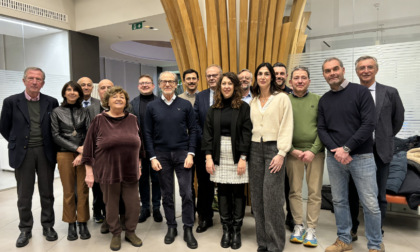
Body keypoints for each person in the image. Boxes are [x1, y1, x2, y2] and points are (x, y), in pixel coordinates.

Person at [318, 57, 383, 252]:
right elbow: (322, 129)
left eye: (335, 69)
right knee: (339, 201)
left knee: (370, 203)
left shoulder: (361, 92)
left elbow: (368, 125)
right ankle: (344, 239)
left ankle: (374, 245)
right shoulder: (324, 100)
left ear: (343, 70)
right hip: (335, 158)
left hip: (361, 156)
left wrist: (346, 148)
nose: (332, 73)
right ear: (324, 75)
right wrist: (336, 151)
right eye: (328, 71)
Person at [0, 67, 59, 247]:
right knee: (24, 195)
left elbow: (55, 126)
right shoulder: (11, 101)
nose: (35, 82)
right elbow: (4, 127)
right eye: (31, 78)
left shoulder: (51, 102)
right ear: (24, 80)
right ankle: (25, 229)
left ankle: (48, 226)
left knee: (47, 193)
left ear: (43, 83)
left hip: (45, 151)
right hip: (23, 153)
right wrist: (17, 142)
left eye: (38, 79)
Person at [348, 56, 405, 240]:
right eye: (361, 67)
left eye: (369, 67)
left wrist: (383, 137)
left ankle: (376, 230)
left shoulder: (390, 92)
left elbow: (397, 120)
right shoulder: (349, 94)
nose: (365, 70)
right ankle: (352, 228)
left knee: (379, 194)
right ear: (356, 71)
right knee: (353, 193)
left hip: (380, 151)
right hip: (355, 152)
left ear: (376, 69)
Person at [83, 86, 144, 251]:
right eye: (115, 96)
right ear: (107, 101)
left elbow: (140, 145)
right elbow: (88, 149)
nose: (119, 99)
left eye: (122, 97)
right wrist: (89, 172)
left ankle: (130, 231)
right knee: (111, 205)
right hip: (107, 170)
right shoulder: (99, 120)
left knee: (133, 204)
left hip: (130, 170)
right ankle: (116, 233)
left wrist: (139, 165)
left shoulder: (132, 119)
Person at [144, 71, 198, 249]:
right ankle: (172, 227)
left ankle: (188, 228)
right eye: (164, 81)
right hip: (161, 155)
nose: (167, 84)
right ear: (159, 84)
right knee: (167, 194)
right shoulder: (152, 107)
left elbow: (193, 130)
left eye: (171, 81)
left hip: (183, 153)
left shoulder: (185, 105)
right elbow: (147, 134)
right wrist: (152, 157)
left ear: (176, 85)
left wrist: (191, 153)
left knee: (187, 193)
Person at [202, 72, 252, 249]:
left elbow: (247, 134)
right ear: (219, 86)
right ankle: (226, 229)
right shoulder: (213, 108)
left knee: (238, 192)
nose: (226, 86)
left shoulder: (244, 108)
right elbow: (207, 134)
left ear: (235, 86)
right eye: (224, 83)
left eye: (230, 83)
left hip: (237, 154)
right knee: (222, 192)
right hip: (218, 154)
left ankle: (237, 230)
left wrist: (243, 158)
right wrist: (208, 158)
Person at [249, 62, 294, 252]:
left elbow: (287, 126)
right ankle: (263, 242)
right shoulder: (253, 100)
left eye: (266, 74)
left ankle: (275, 245)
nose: (263, 77)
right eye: (260, 73)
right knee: (257, 199)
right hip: (254, 149)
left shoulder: (282, 98)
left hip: (273, 149)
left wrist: (281, 153)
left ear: (272, 78)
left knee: (273, 199)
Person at [286, 66, 324, 247]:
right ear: (290, 81)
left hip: (315, 153)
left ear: (309, 80)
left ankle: (311, 229)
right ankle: (298, 226)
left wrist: (314, 150)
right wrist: (291, 149)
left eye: (303, 78)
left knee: (314, 192)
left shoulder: (319, 100)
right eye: (296, 78)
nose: (300, 81)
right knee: (294, 191)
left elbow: (323, 127)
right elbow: (281, 128)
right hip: (293, 153)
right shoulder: (284, 101)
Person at [51, 81, 91, 241]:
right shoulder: (56, 111)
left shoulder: (85, 111)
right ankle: (70, 223)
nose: (72, 92)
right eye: (69, 90)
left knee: (82, 189)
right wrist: (76, 148)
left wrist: (83, 152)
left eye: (75, 90)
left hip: (83, 154)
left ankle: (82, 222)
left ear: (79, 94)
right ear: (64, 93)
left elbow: (89, 133)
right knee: (68, 191)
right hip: (64, 154)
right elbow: (55, 135)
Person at [129, 74, 163, 223]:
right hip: (139, 148)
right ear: (138, 86)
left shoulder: (160, 102)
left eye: (147, 83)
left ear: (153, 85)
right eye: (141, 83)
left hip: (157, 147)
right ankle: (145, 208)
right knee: (142, 179)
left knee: (157, 178)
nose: (144, 85)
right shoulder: (132, 104)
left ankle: (156, 207)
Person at [193, 64, 222, 233]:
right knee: (204, 184)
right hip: (204, 147)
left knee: (226, 184)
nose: (212, 78)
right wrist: (204, 140)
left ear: (221, 76)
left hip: (226, 147)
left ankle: (227, 217)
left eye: (215, 75)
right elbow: (196, 122)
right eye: (209, 75)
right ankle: (205, 217)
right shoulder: (201, 96)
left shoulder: (229, 94)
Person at [86, 79, 113, 230]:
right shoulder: (91, 109)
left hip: (117, 156)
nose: (106, 90)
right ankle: (101, 214)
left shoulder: (123, 106)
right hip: (98, 156)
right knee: (98, 189)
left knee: (116, 188)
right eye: (103, 87)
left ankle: (115, 216)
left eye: (110, 87)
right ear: (98, 91)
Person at [273, 62, 294, 232]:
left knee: (289, 185)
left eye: (282, 73)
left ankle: (291, 217)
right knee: (274, 187)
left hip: (290, 148)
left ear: (286, 76)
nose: (279, 76)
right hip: (272, 148)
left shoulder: (292, 94)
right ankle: (275, 218)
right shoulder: (266, 95)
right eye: (276, 73)